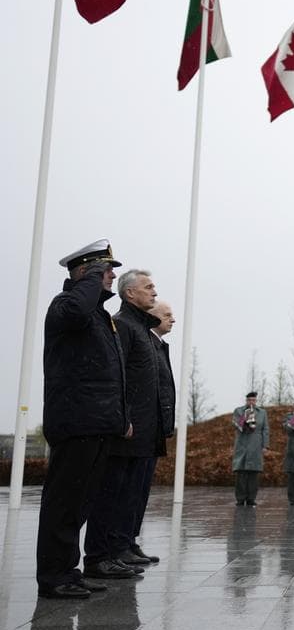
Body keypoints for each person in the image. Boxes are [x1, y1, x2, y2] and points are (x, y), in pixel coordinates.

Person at [35, 239, 127, 599]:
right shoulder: (66, 306)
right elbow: (75, 309)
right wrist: (88, 280)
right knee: (63, 504)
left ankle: (67, 570)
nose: (111, 276)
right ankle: (54, 575)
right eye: (105, 271)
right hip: (76, 422)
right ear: (84, 273)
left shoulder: (98, 315)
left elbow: (112, 374)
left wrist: (120, 418)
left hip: (97, 423)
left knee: (79, 505)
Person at [84, 269, 160, 577]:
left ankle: (119, 548)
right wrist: (123, 417)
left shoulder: (140, 328)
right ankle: (99, 556)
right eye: (148, 287)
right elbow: (119, 377)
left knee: (128, 494)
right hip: (126, 429)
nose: (154, 292)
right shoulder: (124, 326)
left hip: (142, 430)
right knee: (110, 494)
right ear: (129, 294)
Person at [128, 300, 175, 564]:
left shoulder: (156, 344)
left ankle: (128, 540)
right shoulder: (144, 341)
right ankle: (119, 543)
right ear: (151, 317)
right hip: (140, 428)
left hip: (153, 429)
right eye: (167, 314)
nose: (173, 319)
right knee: (129, 491)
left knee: (140, 491)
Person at [232, 392, 269, 505]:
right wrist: (245, 418)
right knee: (241, 473)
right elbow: (235, 424)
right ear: (246, 400)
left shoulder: (262, 412)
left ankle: (251, 499)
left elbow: (265, 429)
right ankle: (240, 499)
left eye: (253, 400)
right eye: (249, 400)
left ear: (256, 401)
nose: (251, 402)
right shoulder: (238, 411)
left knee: (253, 474)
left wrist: (265, 445)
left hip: (256, 445)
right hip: (242, 445)